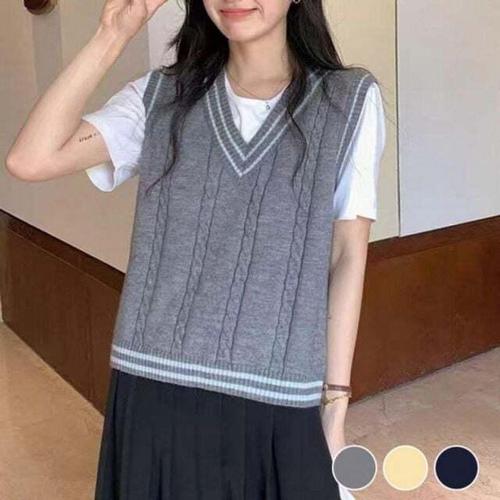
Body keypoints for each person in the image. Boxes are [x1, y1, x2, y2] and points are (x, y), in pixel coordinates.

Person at [5, 0, 386, 498]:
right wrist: (111, 35)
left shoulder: (347, 101)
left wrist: (334, 411)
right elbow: (30, 159)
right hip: (156, 383)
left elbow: (346, 256)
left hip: (280, 389)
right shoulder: (162, 97)